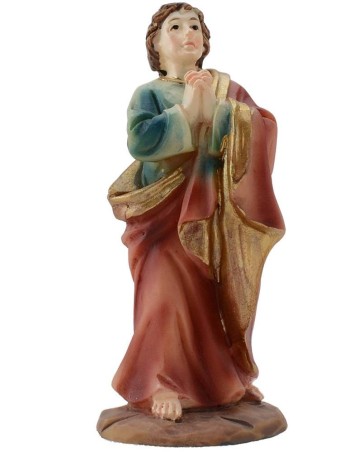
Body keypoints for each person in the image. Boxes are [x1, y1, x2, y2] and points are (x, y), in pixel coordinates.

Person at [108, 2, 285, 422]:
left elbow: (262, 128)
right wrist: (187, 112)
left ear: (205, 42)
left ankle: (223, 380)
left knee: (213, 296)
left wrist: (221, 112)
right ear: (155, 44)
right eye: (175, 26)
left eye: (195, 26)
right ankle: (161, 381)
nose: (188, 33)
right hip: (161, 215)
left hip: (212, 215)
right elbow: (140, 142)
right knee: (163, 291)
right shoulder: (149, 93)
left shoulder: (226, 88)